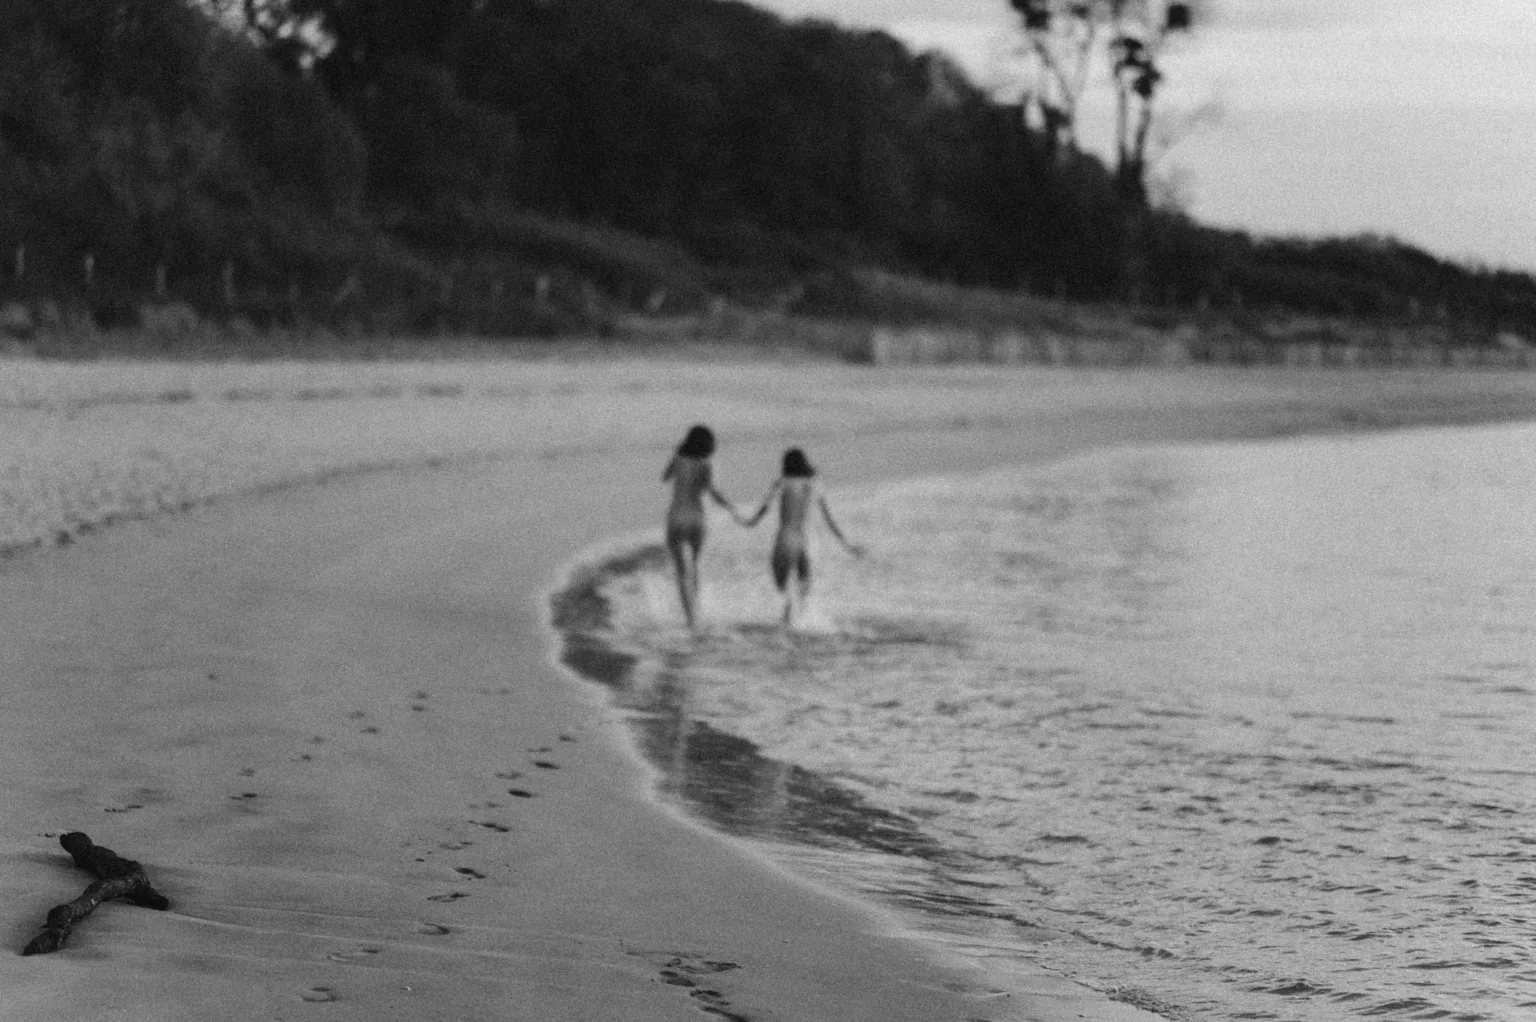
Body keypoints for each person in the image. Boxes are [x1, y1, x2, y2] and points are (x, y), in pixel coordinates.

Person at [740, 447, 864, 624]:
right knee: (803, 589)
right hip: (808, 540)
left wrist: (750, 522)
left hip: (787, 537)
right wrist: (846, 543)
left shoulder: (782, 483)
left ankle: (789, 613)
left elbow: (764, 508)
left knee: (781, 583)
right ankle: (800, 622)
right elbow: (828, 518)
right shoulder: (813, 484)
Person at [661, 424, 736, 628]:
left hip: (677, 517)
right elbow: (712, 491)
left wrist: (677, 453)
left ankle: (690, 619)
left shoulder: (678, 459)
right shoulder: (707, 463)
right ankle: (697, 612)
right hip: (698, 517)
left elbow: (664, 477)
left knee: (681, 571)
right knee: (695, 566)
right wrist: (731, 508)